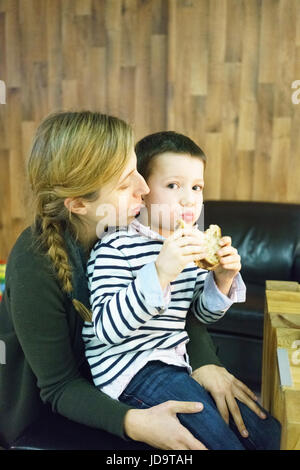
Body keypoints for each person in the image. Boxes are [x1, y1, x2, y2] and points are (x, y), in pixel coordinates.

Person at [0, 111, 251, 451]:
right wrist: (135, 423)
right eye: (125, 182)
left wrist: (206, 361)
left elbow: (177, 305)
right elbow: (59, 387)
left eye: (136, 169)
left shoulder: (136, 228)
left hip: (138, 372)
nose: (145, 189)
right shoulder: (35, 263)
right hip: (51, 410)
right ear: (77, 204)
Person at [83, 130, 281, 450]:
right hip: (132, 370)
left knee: (271, 437)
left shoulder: (188, 242)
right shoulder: (116, 245)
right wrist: (161, 271)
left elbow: (199, 314)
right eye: (173, 185)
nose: (189, 198)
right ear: (143, 191)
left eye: (196, 187)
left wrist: (223, 279)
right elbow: (106, 329)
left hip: (178, 362)